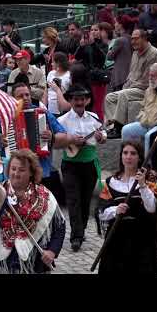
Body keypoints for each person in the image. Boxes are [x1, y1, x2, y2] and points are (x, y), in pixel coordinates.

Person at [0, 149, 66, 274]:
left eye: (21, 170)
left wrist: (52, 251)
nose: (16, 173)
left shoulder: (45, 196)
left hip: (33, 263)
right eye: (13, 169)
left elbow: (60, 226)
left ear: (31, 172)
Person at [96, 140, 157, 274]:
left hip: (143, 240)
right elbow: (101, 211)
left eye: (133, 153)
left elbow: (153, 208)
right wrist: (116, 210)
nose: (128, 157)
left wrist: (142, 185)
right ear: (121, 156)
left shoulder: (149, 183)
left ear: (139, 158)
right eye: (125, 153)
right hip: (117, 238)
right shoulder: (110, 182)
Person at [58, 85, 107, 251]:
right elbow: (57, 141)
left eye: (82, 99)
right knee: (73, 199)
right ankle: (76, 237)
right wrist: (70, 140)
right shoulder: (62, 121)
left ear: (86, 100)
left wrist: (101, 137)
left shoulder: (94, 118)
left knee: (86, 200)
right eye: (75, 99)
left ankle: (81, 229)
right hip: (70, 164)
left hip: (89, 163)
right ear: (70, 100)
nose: (79, 102)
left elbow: (104, 135)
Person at [0, 82, 69, 190]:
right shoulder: (6, 116)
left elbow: (63, 135)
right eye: (20, 96)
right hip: (16, 172)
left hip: (41, 169)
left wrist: (52, 137)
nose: (25, 98)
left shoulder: (43, 113)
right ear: (13, 98)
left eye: (27, 95)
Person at [105, 29, 157, 139]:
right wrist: (126, 86)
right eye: (132, 38)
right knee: (110, 97)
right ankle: (113, 125)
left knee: (123, 95)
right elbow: (131, 75)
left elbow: (151, 82)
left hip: (147, 90)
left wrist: (129, 87)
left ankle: (118, 128)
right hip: (133, 88)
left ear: (145, 39)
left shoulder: (154, 54)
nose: (133, 41)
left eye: (136, 38)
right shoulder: (135, 53)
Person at [121, 63, 157, 143]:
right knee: (126, 130)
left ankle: (146, 156)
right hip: (145, 123)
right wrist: (142, 116)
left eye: (153, 76)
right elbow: (143, 107)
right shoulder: (149, 89)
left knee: (149, 136)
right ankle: (128, 154)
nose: (150, 78)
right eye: (150, 75)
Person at [107, 14, 136, 92]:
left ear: (120, 25)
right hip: (129, 75)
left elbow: (109, 57)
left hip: (120, 77)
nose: (114, 24)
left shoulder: (119, 40)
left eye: (116, 22)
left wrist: (109, 47)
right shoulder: (131, 38)